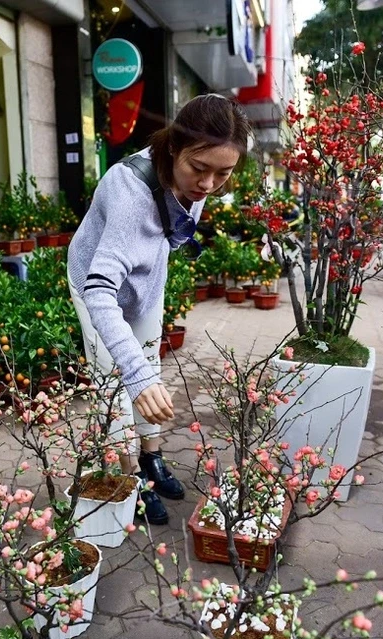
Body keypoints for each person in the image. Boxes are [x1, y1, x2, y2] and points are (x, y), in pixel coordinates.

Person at [67, 94, 253, 524]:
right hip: (96, 284)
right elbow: (100, 292)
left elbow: (173, 232)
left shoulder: (198, 182)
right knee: (116, 383)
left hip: (146, 281)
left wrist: (143, 369)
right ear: (173, 148)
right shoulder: (128, 190)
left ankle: (151, 458)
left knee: (149, 362)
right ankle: (131, 481)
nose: (208, 185)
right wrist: (134, 375)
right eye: (199, 169)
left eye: (223, 173)